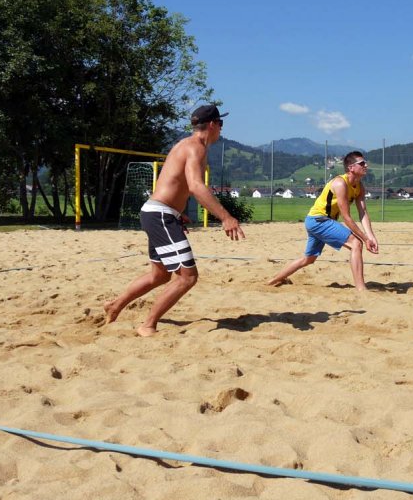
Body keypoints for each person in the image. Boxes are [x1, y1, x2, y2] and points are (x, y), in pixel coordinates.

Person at [103, 105, 244, 336]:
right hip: (160, 215)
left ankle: (115, 305)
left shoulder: (186, 145)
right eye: (221, 124)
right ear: (212, 124)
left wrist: (178, 212)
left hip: (158, 212)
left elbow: (173, 184)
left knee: (159, 275)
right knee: (187, 277)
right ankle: (148, 325)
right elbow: (197, 187)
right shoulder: (195, 148)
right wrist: (226, 217)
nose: (221, 129)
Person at [268, 151, 378, 291]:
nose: (366, 165)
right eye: (362, 163)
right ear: (351, 167)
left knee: (308, 259)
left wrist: (371, 236)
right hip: (319, 220)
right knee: (356, 243)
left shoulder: (359, 187)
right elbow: (347, 217)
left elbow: (363, 213)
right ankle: (361, 289)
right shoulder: (340, 183)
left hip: (317, 221)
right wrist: (364, 238)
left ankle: (272, 282)